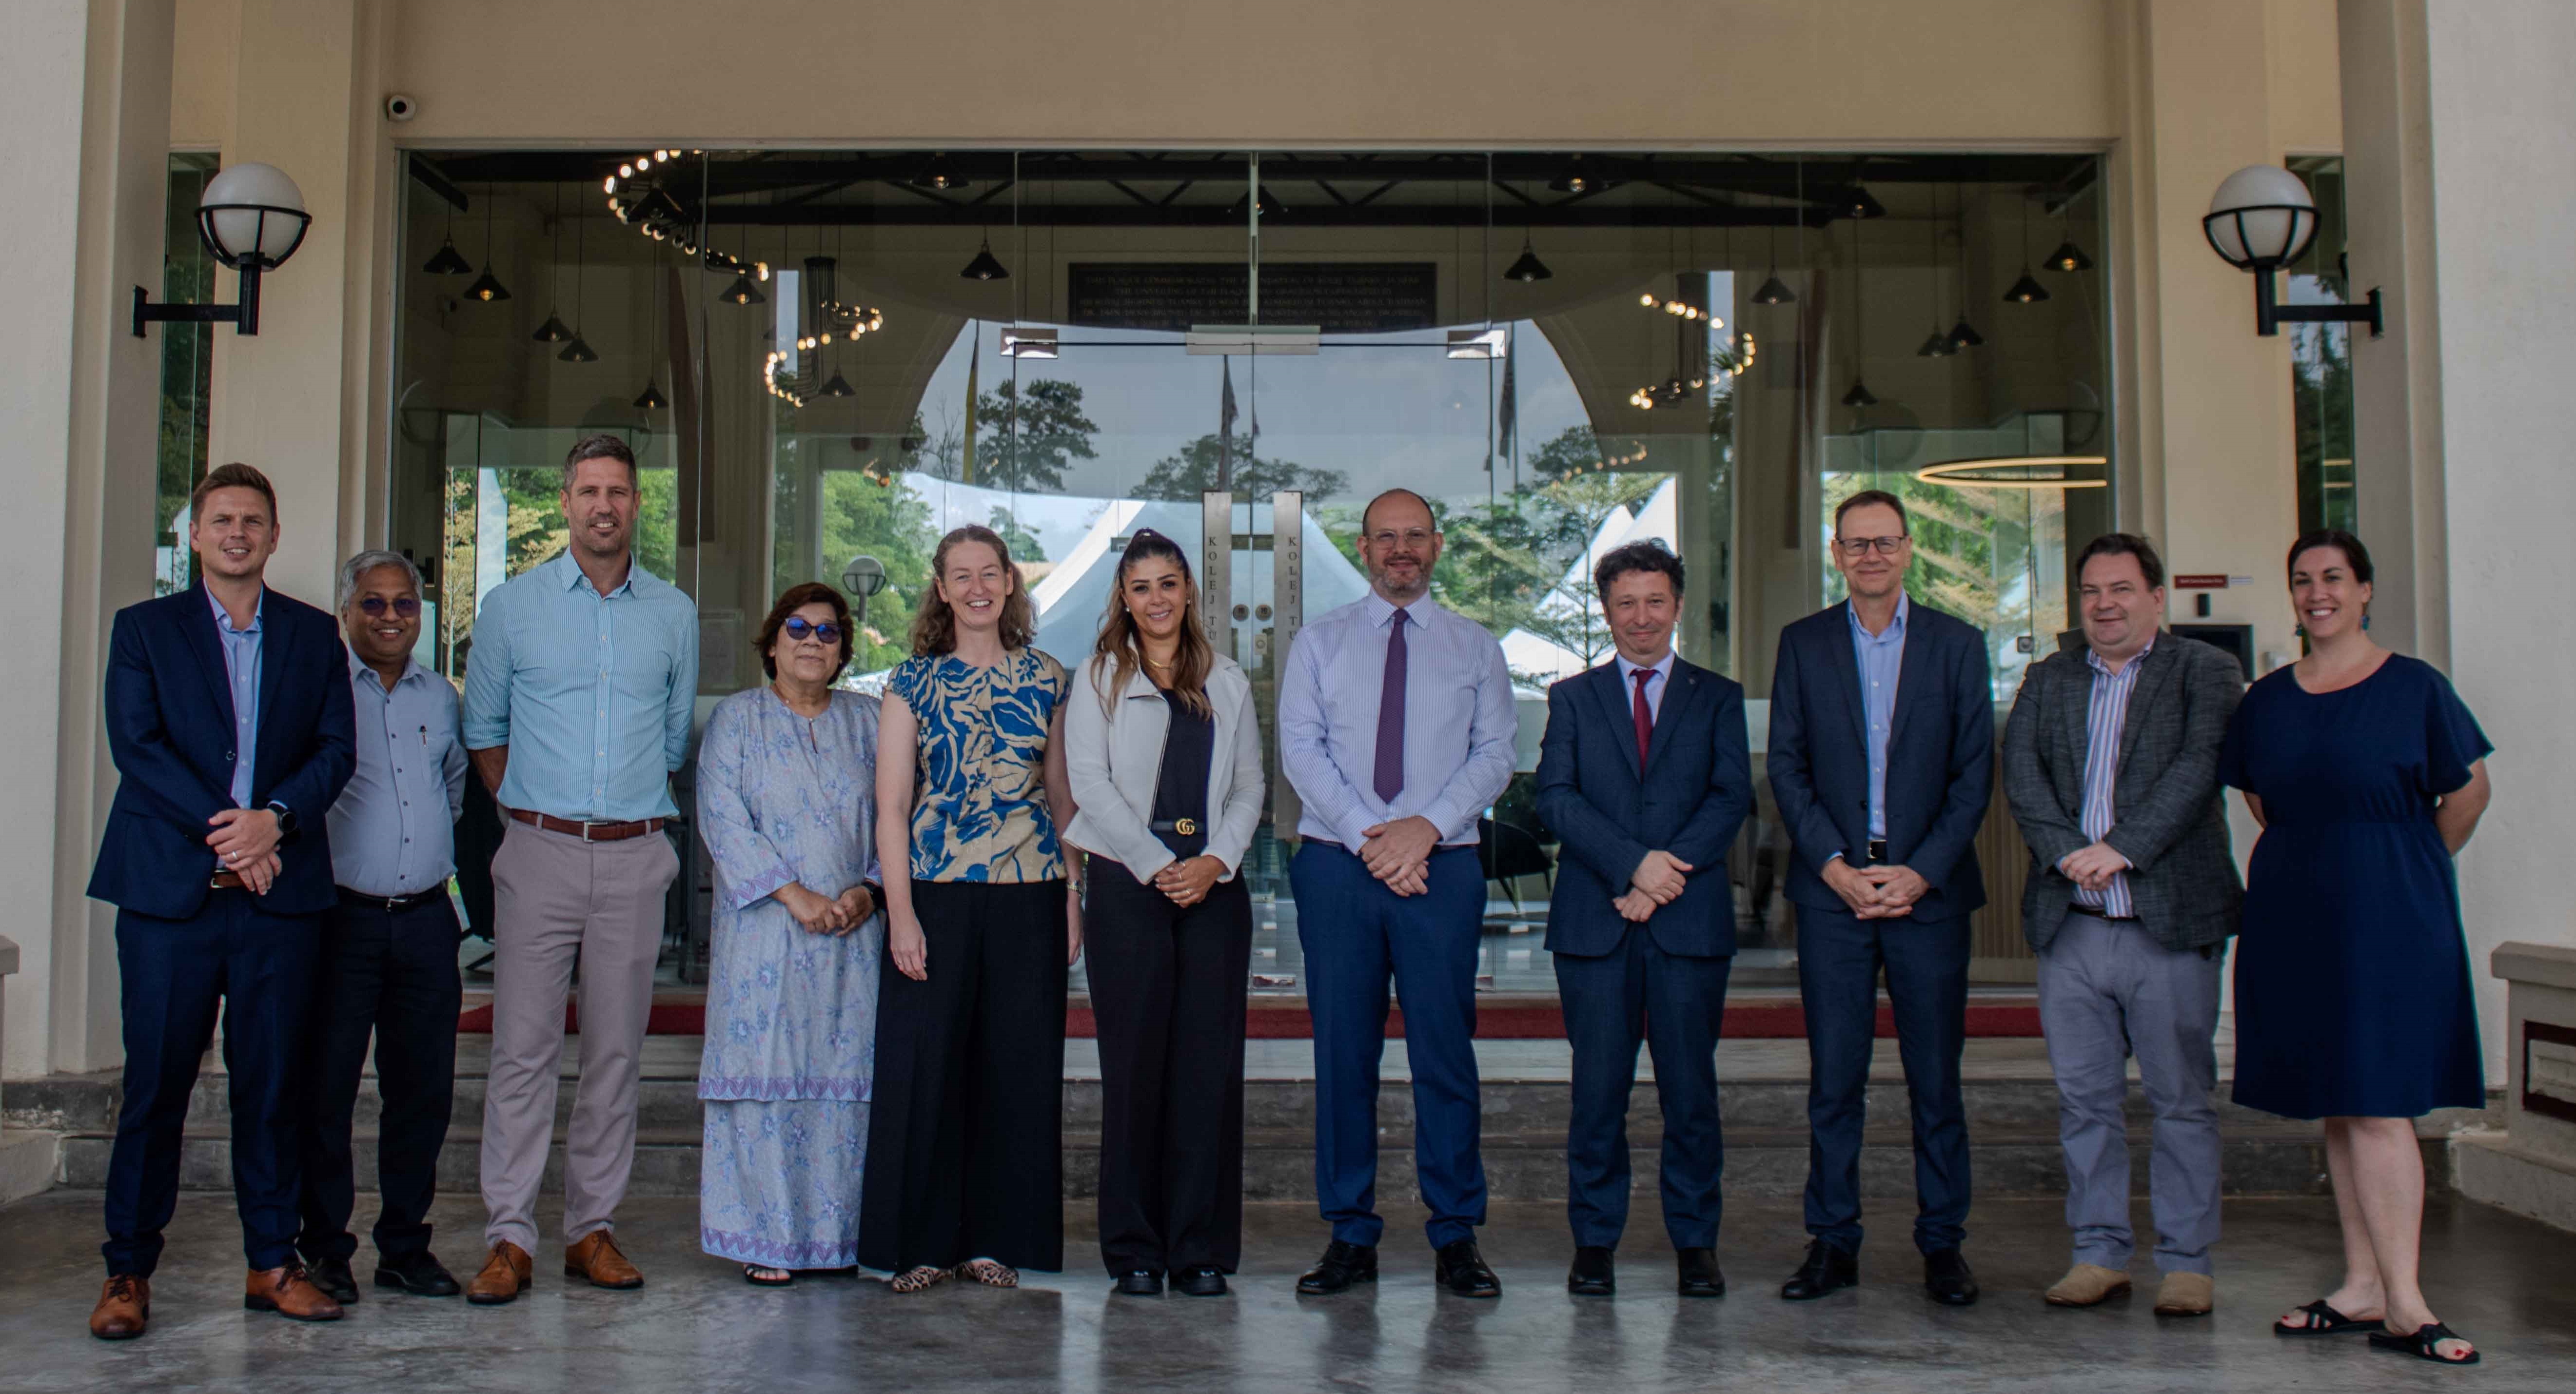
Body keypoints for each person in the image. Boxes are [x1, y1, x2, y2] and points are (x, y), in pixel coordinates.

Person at [85, 462, 356, 1338]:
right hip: (173, 901)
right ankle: (127, 1272)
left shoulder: (317, 637)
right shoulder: (144, 630)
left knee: (273, 1088)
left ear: (276, 538)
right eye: (222, 519)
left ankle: (271, 1264)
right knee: (156, 1088)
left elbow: (333, 751)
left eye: (254, 521)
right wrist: (234, 836)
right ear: (194, 535)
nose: (238, 533)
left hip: (278, 905)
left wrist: (273, 822)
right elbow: (139, 747)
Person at [2221, 530, 2491, 1367]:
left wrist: (2399, 862)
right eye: (2302, 581)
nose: (2317, 594)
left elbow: (2468, 792)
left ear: (2365, 591)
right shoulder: (2266, 699)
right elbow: (2265, 801)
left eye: (2333, 578)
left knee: (2379, 1100)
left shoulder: (2415, 688)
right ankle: (2362, 1286)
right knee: (2340, 1100)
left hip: (2392, 911)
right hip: (2298, 911)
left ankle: (2407, 1302)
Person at [460, 433, 698, 1304]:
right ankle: (509, 1238)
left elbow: (673, 740)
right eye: (589, 490)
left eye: (620, 492)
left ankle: (590, 1230)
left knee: (613, 1055)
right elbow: (482, 729)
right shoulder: (513, 607)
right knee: (522, 1052)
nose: (605, 505)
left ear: (639, 505)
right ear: (563, 502)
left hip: (636, 857)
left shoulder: (672, 614)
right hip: (539, 852)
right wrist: (533, 811)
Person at [1278, 488, 1516, 1299]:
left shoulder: (1476, 647)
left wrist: (1424, 828)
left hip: (1440, 867)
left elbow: (1496, 756)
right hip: (1340, 865)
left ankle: (1456, 1233)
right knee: (1345, 1052)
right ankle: (1351, 1233)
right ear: (1364, 546)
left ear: (1439, 546)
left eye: (1416, 536)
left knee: (1444, 1053)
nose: (1402, 549)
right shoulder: (1318, 644)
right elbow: (1302, 753)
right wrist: (1375, 837)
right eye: (1387, 537)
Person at [2000, 533, 2243, 1318]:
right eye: (2092, 592)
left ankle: (2185, 1260)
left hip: (2166, 922)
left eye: (2122, 590)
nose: (2105, 605)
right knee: (2086, 1103)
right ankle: (2098, 1252)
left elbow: (2199, 767)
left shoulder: (2205, 672)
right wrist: (2069, 852)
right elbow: (2023, 773)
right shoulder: (2050, 677)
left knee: (2180, 1099)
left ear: (2156, 597)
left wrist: (2120, 851)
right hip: (2072, 925)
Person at [1766, 488, 1993, 1307]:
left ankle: (1943, 1245)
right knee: (1835, 1080)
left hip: (1926, 895)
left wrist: (1921, 871)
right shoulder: (1804, 644)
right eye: (1855, 544)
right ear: (1837, 553)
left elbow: (1974, 776)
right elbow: (1786, 766)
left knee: (1937, 1082)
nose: (1871, 557)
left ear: (1907, 550)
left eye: (1885, 543)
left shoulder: (1958, 645)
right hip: (1834, 894)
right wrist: (1831, 863)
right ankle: (1832, 1243)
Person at [860, 524, 1079, 1294]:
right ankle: (921, 1244)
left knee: (1015, 1071)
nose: (978, 586)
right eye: (962, 575)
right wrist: (902, 914)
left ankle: (996, 1239)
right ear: (943, 588)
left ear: (1010, 582)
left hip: (1031, 894)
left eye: (991, 573)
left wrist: (1074, 900)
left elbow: (1061, 798)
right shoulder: (910, 684)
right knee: (929, 1067)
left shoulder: (1050, 677)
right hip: (936, 895)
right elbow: (891, 808)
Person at [1535, 541, 1751, 1299]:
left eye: (1655, 601)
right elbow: (1555, 798)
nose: (1641, 618)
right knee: (1597, 1094)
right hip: (1595, 927)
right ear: (1606, 610)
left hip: (1687, 927)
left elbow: (1730, 798)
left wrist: (1660, 881)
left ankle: (1696, 1244)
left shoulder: (1718, 697)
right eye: (1626, 603)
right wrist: (1634, 865)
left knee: (1691, 1094)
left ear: (1678, 606)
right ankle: (1594, 1244)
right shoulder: (1573, 698)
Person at [1062, 530, 1265, 1298]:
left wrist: (1215, 864)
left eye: (1169, 584)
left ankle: (1201, 1247)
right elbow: (1088, 781)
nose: (1157, 599)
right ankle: (1136, 1249)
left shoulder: (1232, 682)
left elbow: (1249, 788)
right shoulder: (1099, 679)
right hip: (1128, 888)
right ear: (1124, 596)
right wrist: (1156, 866)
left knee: (1207, 1073)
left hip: (1215, 893)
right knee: (1136, 1071)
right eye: (1141, 586)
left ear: (1189, 592)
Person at [695, 583, 886, 1285]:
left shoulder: (872, 723)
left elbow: (902, 811)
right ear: (772, 642)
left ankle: (840, 1242)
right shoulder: (736, 722)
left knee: (847, 1083)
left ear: (843, 651)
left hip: (854, 937)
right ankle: (767, 1241)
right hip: (765, 937)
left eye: (829, 632)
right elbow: (722, 816)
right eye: (798, 628)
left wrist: (869, 888)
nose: (813, 641)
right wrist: (793, 894)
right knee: (767, 1086)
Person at [295, 550, 471, 1306]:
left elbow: (455, 790)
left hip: (428, 921)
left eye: (405, 604)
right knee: (327, 1093)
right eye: (374, 604)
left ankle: (404, 1245)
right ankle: (325, 1251)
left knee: (423, 1093)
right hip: (341, 922)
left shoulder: (442, 696)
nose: (392, 617)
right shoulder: (318, 693)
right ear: (347, 613)